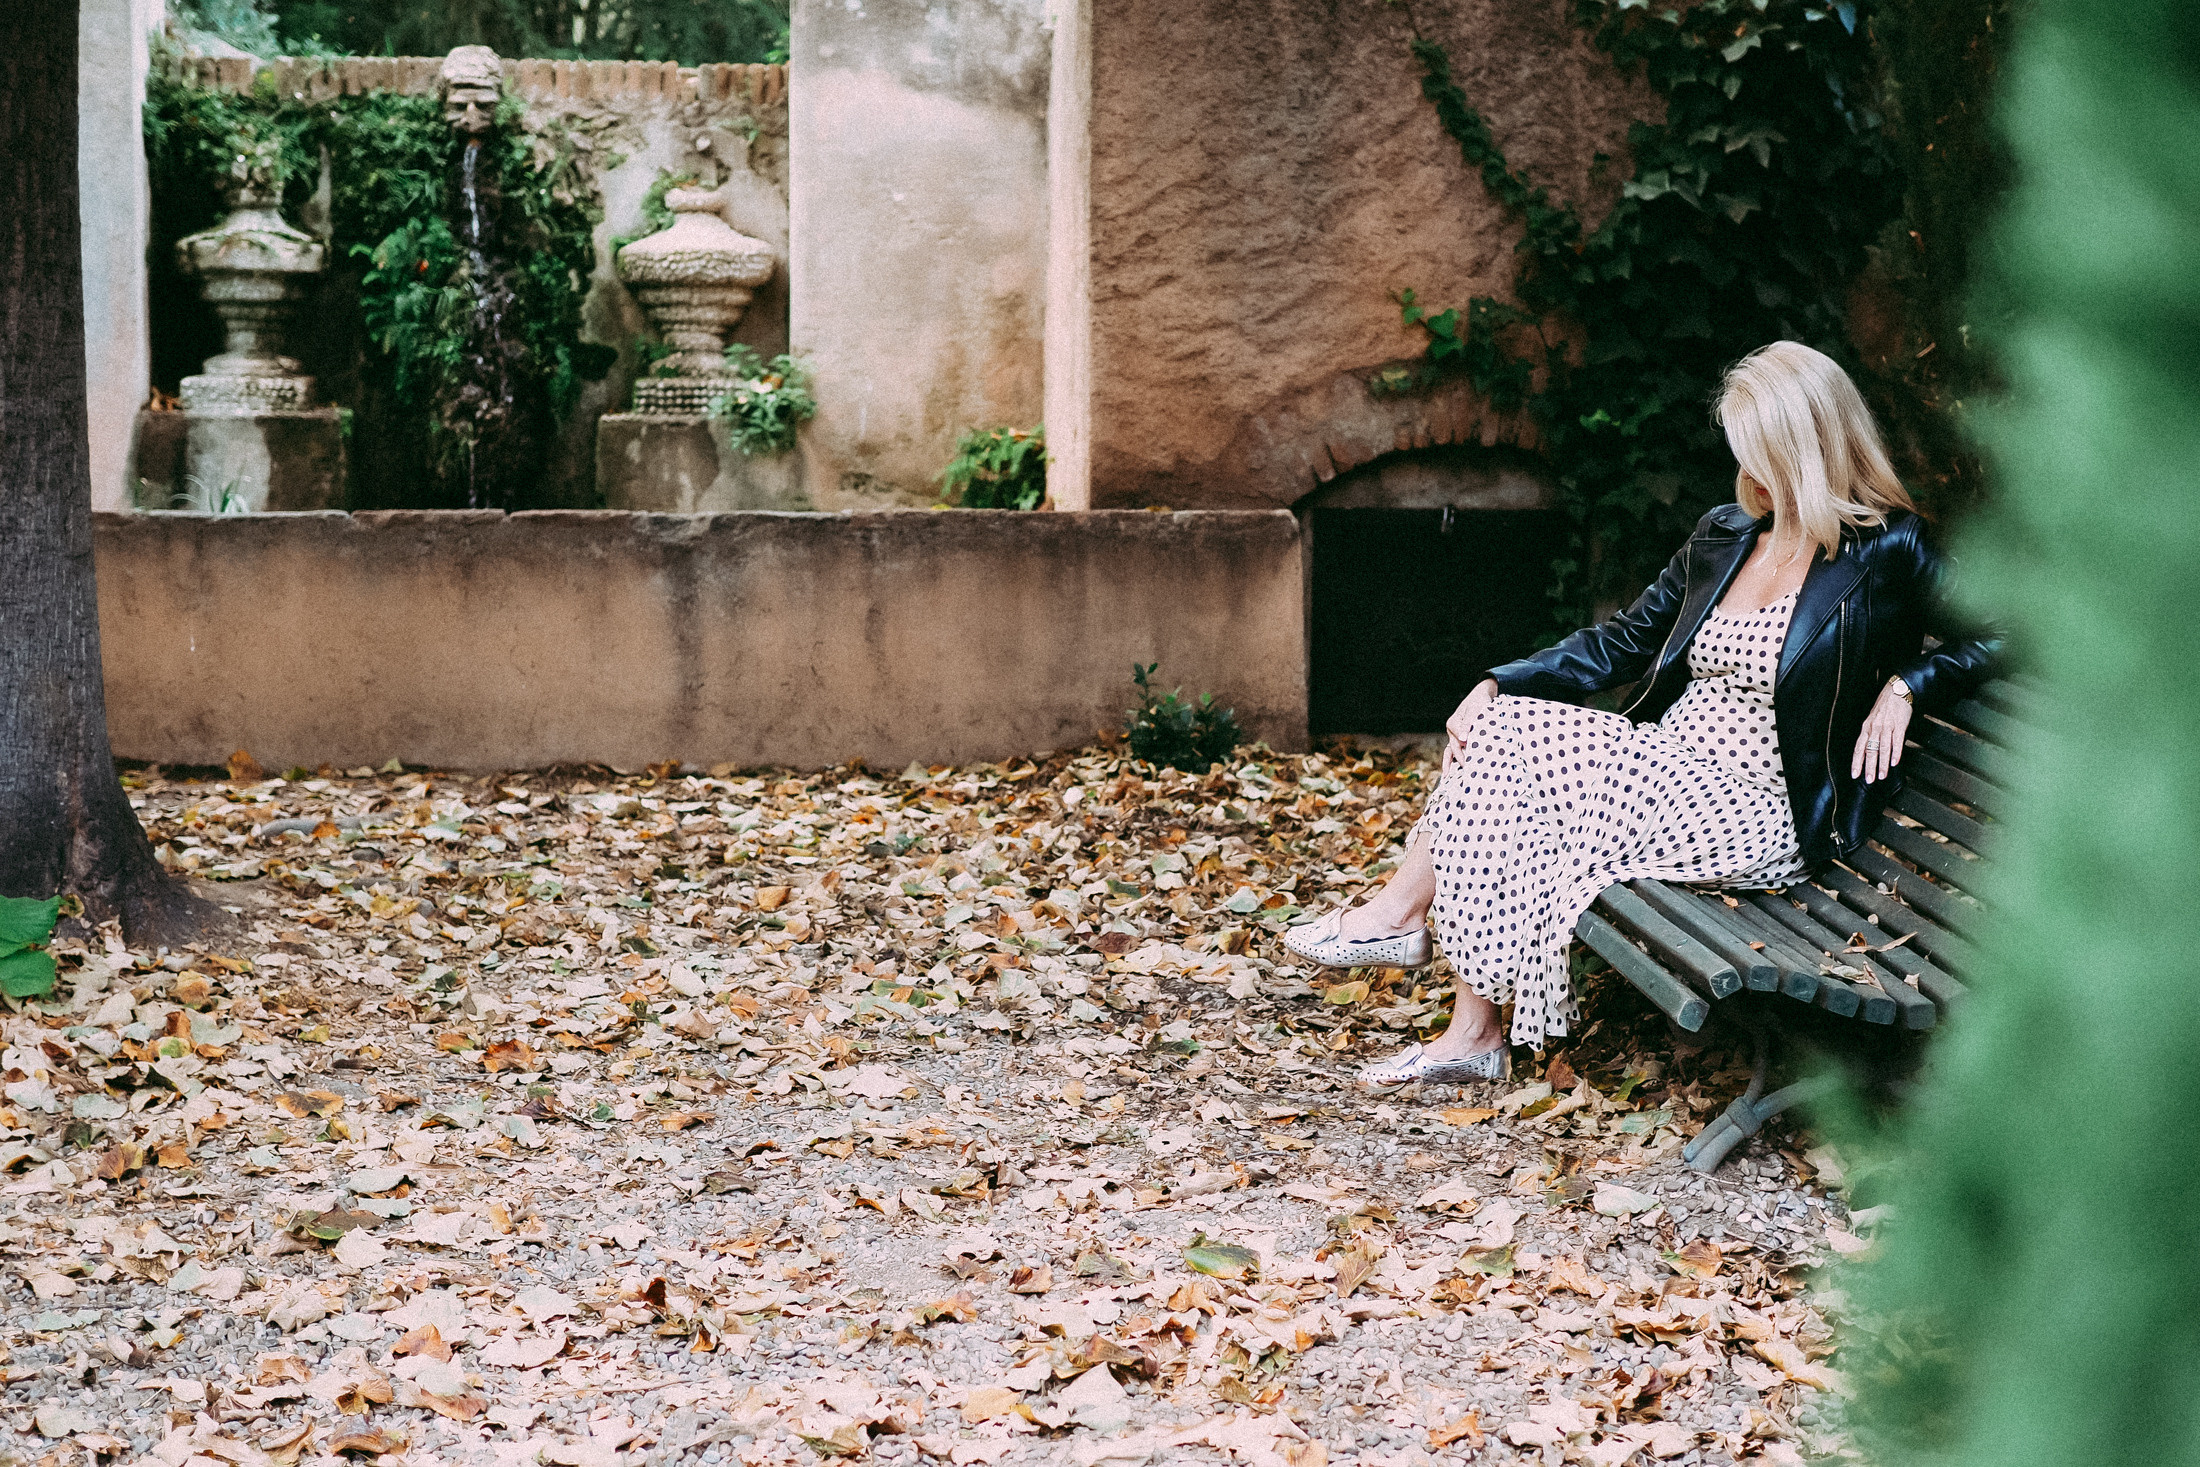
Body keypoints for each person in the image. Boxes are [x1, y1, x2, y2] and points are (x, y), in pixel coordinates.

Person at [1284, 341, 2002, 1085]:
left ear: (1803, 448)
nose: (1746, 469)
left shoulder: (1885, 549)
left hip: (1760, 808)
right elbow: (1626, 638)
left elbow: (2012, 627)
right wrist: (1500, 681)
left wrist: (1910, 682)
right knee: (1501, 747)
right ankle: (1462, 1017)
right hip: (1667, 769)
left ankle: (1419, 947)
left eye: (1757, 448)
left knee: (1511, 748)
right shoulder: (1730, 534)